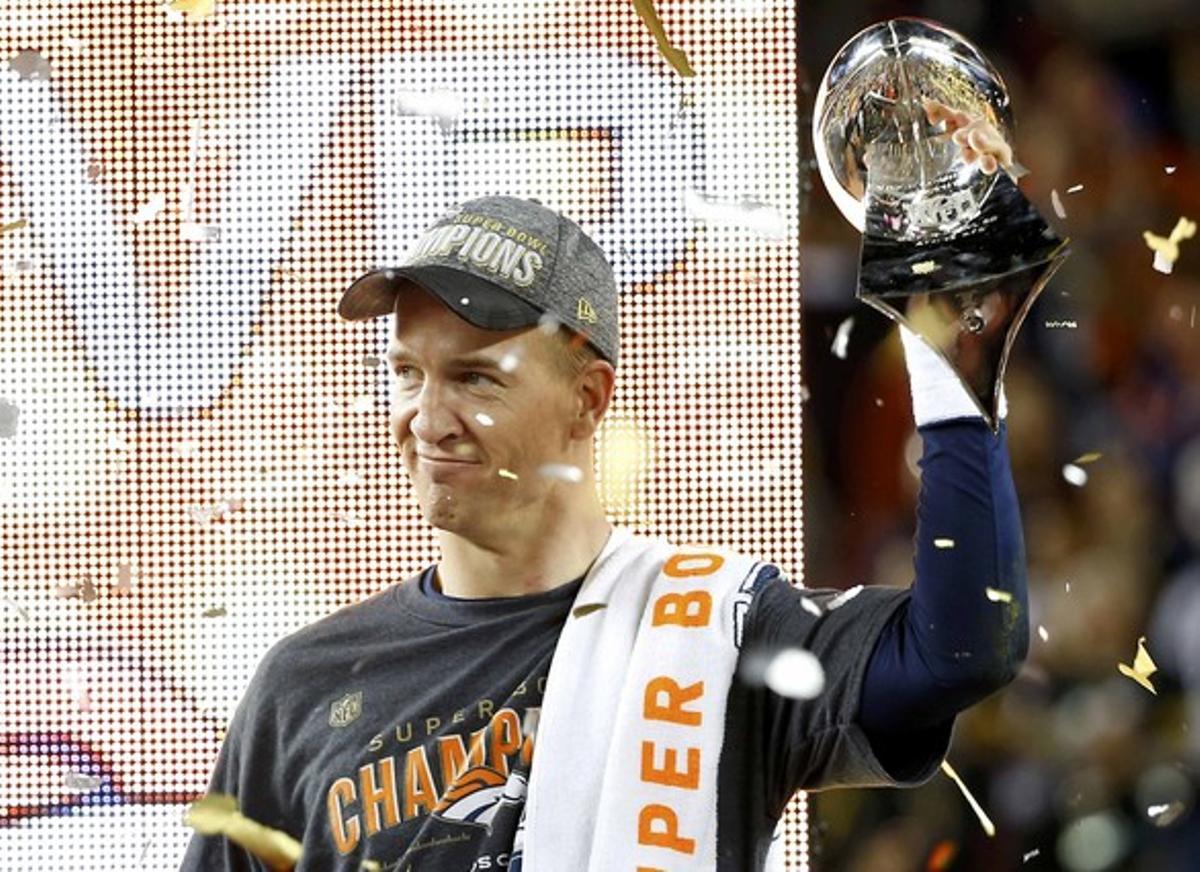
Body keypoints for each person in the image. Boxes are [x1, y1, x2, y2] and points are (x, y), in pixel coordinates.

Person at [181, 176, 1028, 870]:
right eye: (407, 372)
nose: (426, 417)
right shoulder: (302, 689)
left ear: (589, 400)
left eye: (476, 380)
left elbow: (963, 646)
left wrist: (951, 365)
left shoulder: (716, 630)